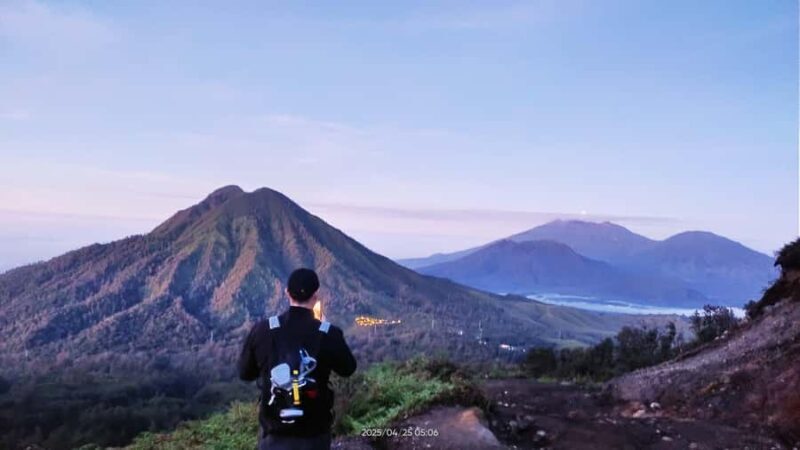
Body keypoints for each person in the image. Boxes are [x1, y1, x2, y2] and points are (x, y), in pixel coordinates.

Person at [239, 268, 357, 450]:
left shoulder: (262, 330)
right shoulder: (328, 333)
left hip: (273, 433)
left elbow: (245, 373)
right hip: (314, 433)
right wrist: (327, 329)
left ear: (287, 292)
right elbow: (348, 368)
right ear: (316, 295)